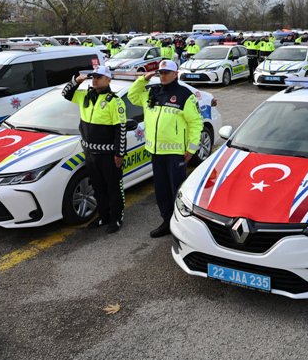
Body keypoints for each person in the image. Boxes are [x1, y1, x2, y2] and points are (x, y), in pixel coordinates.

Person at [127, 60, 203, 237]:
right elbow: (132, 96)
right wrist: (143, 80)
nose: (163, 75)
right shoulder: (152, 91)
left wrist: (192, 149)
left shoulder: (185, 95)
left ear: (175, 74)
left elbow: (195, 123)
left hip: (175, 153)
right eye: (161, 73)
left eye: (167, 72)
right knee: (161, 190)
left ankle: (181, 224)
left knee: (176, 189)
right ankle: (167, 221)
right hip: (156, 151)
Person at [63, 66, 127, 233]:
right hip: (90, 153)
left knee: (113, 188)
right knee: (98, 188)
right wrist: (76, 81)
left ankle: (116, 218)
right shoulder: (84, 95)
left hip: (108, 154)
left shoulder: (115, 102)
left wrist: (119, 153)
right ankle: (104, 217)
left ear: (108, 80)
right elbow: (65, 94)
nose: (95, 79)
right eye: (94, 77)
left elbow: (120, 129)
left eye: (99, 77)